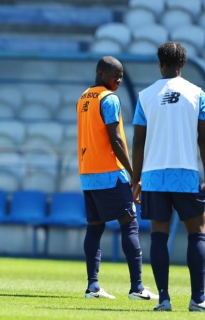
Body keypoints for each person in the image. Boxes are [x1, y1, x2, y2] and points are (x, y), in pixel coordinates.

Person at [76, 56, 158, 300]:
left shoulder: (83, 98)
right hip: (110, 173)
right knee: (129, 224)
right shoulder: (109, 99)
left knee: (94, 228)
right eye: (115, 76)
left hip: (87, 173)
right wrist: (134, 173)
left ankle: (93, 287)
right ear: (102, 74)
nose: (119, 80)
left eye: (121, 76)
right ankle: (137, 288)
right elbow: (116, 138)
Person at [132, 42, 205, 312]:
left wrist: (135, 180)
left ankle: (163, 298)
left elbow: (138, 141)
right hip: (185, 172)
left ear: (160, 63)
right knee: (197, 233)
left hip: (153, 175)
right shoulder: (198, 94)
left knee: (159, 236)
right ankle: (198, 299)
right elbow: (204, 138)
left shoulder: (145, 96)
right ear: (183, 65)